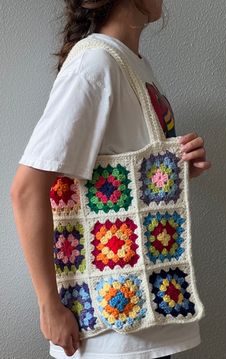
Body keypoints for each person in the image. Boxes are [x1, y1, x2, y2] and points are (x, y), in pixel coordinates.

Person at [10, 1, 211, 359]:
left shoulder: (134, 65)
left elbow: (118, 186)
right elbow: (26, 189)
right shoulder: (94, 64)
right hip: (109, 335)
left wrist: (174, 175)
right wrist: (49, 307)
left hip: (146, 320)